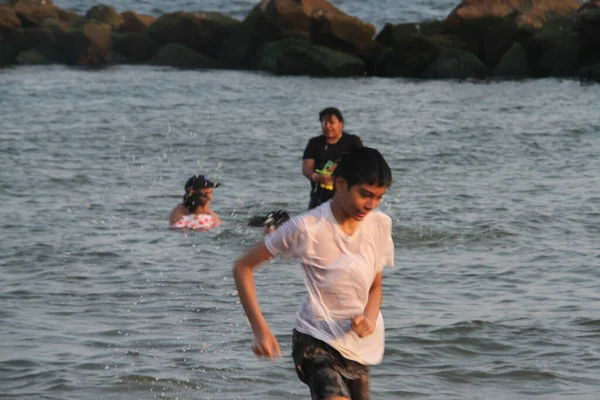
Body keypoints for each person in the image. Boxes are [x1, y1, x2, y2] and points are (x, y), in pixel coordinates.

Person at [233, 147, 394, 400]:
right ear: (340, 184)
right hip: (315, 340)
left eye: (378, 197)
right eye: (365, 195)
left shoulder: (379, 225)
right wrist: (260, 330)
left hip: (356, 346)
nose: (371, 205)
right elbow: (243, 267)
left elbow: (375, 286)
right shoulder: (307, 227)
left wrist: (369, 320)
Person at [302, 107, 363, 210]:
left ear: (341, 124)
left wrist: (339, 167)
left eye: (331, 122)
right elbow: (306, 168)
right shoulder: (314, 143)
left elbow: (362, 163)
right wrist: (317, 177)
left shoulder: (352, 142)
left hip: (346, 194)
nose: (327, 126)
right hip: (319, 194)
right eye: (324, 123)